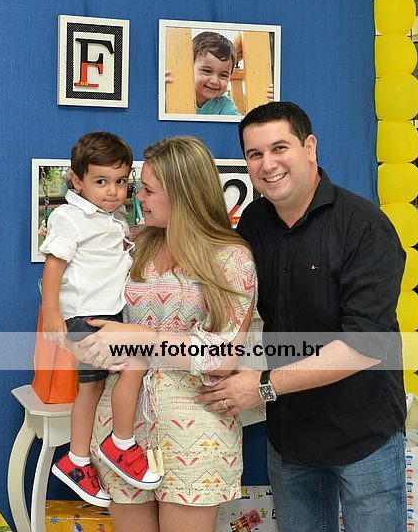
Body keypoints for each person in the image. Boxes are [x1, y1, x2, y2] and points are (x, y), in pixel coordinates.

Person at [196, 102, 407, 532]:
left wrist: (263, 386)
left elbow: (365, 345)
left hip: (362, 434)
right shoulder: (254, 222)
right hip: (291, 438)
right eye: (255, 154)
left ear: (309, 147)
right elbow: (226, 293)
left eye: (280, 148)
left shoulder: (364, 227)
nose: (268, 164)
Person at [75, 136, 256, 532]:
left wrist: (139, 336)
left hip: (195, 430)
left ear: (182, 193)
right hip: (120, 430)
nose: (137, 197)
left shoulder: (231, 257)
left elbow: (222, 356)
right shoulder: (131, 244)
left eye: (148, 189)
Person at [39, 132, 161, 508]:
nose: (113, 191)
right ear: (77, 181)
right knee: (135, 365)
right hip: (86, 318)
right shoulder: (69, 217)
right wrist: (52, 313)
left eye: (121, 181)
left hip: (106, 315)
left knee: (90, 389)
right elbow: (54, 265)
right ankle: (120, 444)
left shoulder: (113, 219)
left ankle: (76, 460)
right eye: (101, 181)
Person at [166, 31, 239, 115]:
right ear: (189, 69)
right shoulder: (176, 93)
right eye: (207, 71)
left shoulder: (224, 104)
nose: (215, 81)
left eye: (223, 75)